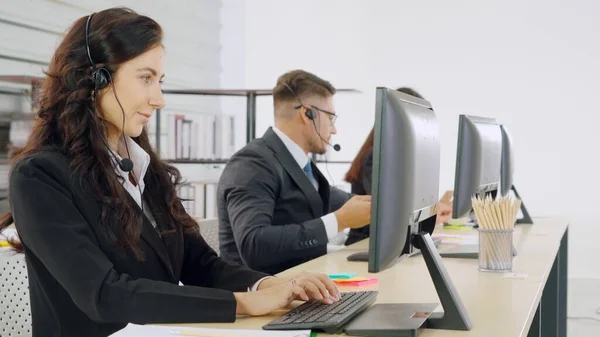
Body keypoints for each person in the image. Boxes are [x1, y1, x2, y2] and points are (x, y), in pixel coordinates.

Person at [0, 8, 339, 337]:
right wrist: (244, 303)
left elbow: (198, 262)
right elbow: (104, 294)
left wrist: (273, 284)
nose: (159, 98)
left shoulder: (142, 166)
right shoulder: (40, 176)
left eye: (159, 81)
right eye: (145, 78)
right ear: (95, 79)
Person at [217, 70, 371, 274]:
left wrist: (383, 208)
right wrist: (339, 221)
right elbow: (253, 243)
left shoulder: (300, 165)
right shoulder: (252, 164)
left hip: (301, 284)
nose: (334, 130)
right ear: (308, 114)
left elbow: (341, 200)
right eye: (331, 118)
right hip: (261, 295)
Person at [343, 87, 453, 246]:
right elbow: (389, 208)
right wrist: (433, 210)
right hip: (367, 244)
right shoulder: (375, 156)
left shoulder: (404, 157)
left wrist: (435, 207)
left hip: (391, 243)